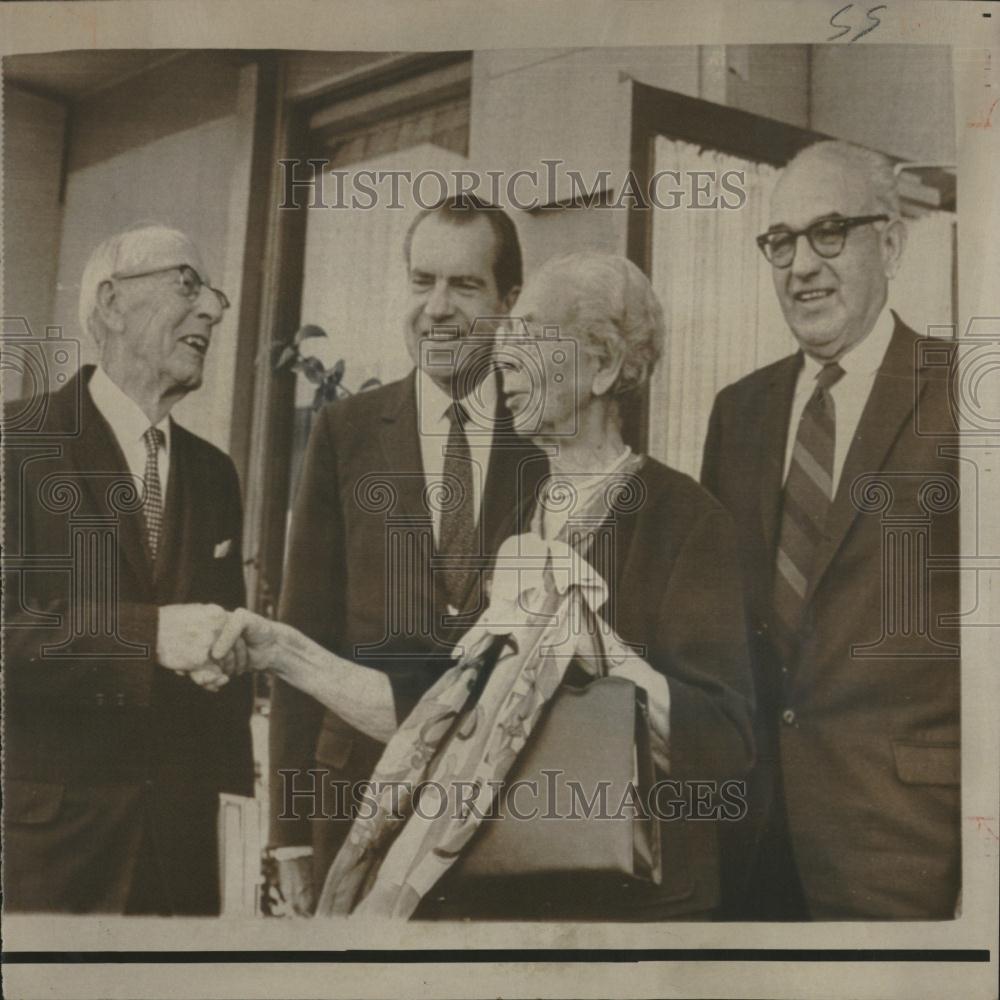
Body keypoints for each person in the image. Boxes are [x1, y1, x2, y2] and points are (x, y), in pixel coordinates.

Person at [215, 252, 754, 920]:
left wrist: (584, 637)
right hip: (496, 909)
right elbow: (437, 712)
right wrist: (283, 653)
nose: (502, 357)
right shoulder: (512, 511)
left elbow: (728, 741)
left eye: (528, 335)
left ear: (605, 366)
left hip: (623, 920)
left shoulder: (685, 519)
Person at [701, 140, 961, 920]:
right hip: (749, 848)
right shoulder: (738, 411)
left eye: (830, 232)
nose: (801, 265)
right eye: (781, 242)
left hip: (909, 850)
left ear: (890, 243)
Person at [267, 194, 544, 915]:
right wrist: (290, 835)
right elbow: (303, 631)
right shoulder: (344, 431)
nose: (437, 308)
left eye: (464, 285)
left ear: (509, 299)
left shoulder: (545, 432)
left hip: (502, 814)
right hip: (355, 798)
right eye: (422, 282)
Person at [3, 225, 254, 914]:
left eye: (215, 297)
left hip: (181, 869)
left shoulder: (215, 475)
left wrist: (242, 842)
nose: (210, 310)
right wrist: (148, 639)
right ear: (112, 304)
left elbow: (228, 700)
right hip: (47, 863)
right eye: (187, 284)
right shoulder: (16, 444)